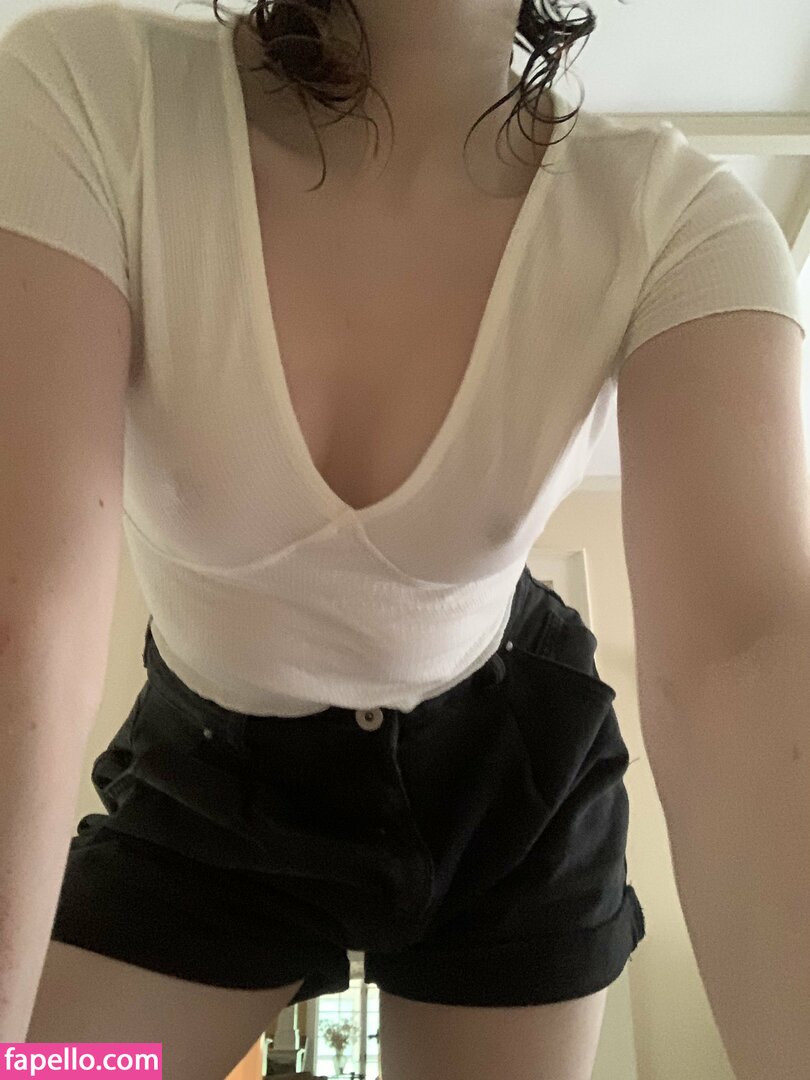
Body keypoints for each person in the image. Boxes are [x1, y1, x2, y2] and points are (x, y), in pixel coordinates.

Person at [0, 0, 805, 1078]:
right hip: (210, 808)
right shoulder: (90, 95)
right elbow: (23, 610)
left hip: (509, 794)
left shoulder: (680, 220)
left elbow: (746, 658)